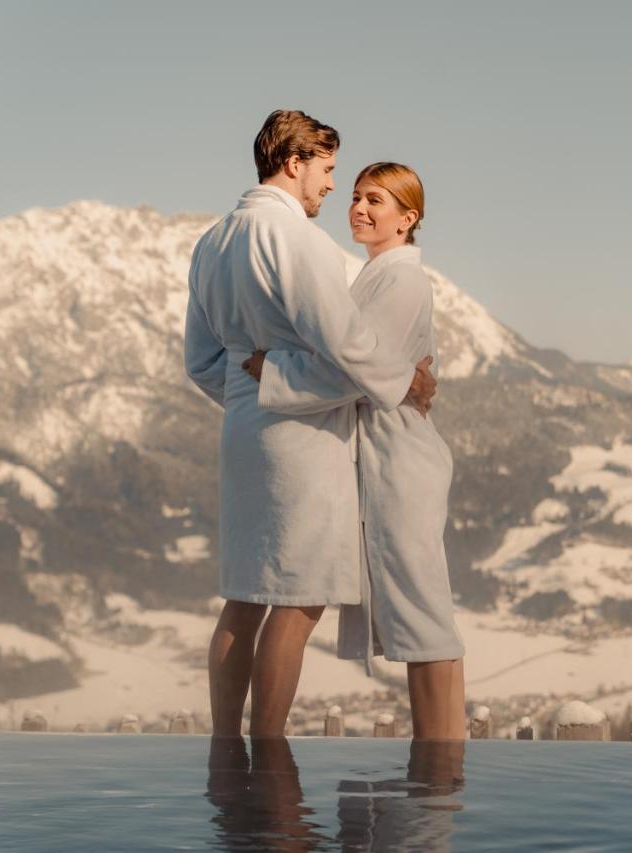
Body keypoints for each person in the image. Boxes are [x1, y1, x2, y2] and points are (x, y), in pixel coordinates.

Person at [184, 111, 437, 738]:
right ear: (294, 163)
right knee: (297, 601)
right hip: (303, 443)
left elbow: (200, 362)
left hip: (242, 433)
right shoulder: (298, 241)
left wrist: (253, 388)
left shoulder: (211, 242)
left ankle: (225, 745)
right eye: (326, 171)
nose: (330, 187)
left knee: (244, 596)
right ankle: (269, 752)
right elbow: (347, 345)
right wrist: (406, 378)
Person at [243, 163, 465, 740]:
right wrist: (393, 376)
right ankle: (434, 768)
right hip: (381, 458)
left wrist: (273, 368)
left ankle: (440, 773)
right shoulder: (370, 279)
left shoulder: (403, 282)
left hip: (401, 462)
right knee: (415, 617)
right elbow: (367, 366)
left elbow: (352, 373)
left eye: (377, 201)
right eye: (358, 196)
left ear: (408, 218)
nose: (359, 208)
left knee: (423, 616)